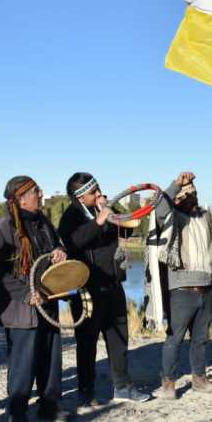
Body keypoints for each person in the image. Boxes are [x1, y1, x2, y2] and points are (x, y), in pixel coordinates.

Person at [153, 172, 212, 399]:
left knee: (200, 340)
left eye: (194, 194)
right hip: (181, 292)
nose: (192, 198)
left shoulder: (208, 217)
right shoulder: (173, 218)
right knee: (174, 339)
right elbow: (160, 210)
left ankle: (200, 380)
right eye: (187, 195)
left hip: (206, 289)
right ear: (177, 198)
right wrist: (176, 184)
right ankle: (168, 385)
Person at [57, 172, 150, 407]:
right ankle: (86, 392)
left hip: (112, 284)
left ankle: (123, 387)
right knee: (87, 343)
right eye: (93, 192)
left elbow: (127, 229)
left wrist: (112, 210)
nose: (98, 194)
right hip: (86, 289)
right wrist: (98, 222)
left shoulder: (104, 209)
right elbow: (73, 243)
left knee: (119, 339)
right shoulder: (70, 217)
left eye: (98, 189)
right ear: (79, 197)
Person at [0, 176, 67, 422]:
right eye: (35, 191)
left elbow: (57, 247)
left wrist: (61, 252)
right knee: (23, 362)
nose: (41, 194)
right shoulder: (3, 229)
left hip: (47, 300)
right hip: (21, 308)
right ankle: (17, 414)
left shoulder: (43, 222)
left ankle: (49, 406)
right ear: (20, 198)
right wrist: (25, 294)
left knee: (50, 356)